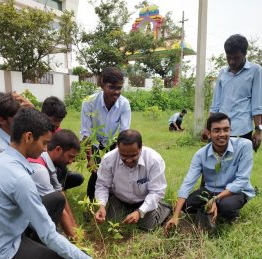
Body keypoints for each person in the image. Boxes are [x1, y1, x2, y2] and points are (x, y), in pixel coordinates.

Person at [0, 107, 116, 259]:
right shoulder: (19, 178)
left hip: (0, 235)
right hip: (0, 255)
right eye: (44, 143)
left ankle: (31, 253)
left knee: (56, 200)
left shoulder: (1, 159)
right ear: (29, 137)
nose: (45, 149)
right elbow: (49, 234)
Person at [165, 113, 255, 233]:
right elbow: (188, 182)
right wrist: (175, 215)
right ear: (208, 133)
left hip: (236, 191)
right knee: (187, 205)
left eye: (226, 130)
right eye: (216, 130)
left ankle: (232, 215)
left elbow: (242, 180)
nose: (222, 134)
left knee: (226, 207)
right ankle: (212, 208)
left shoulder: (244, 146)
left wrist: (215, 199)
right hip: (211, 189)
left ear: (230, 130)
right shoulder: (201, 154)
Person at [95, 129, 171, 231]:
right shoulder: (109, 159)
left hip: (144, 198)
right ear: (118, 148)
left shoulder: (154, 160)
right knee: (113, 223)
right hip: (120, 198)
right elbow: (102, 185)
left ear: (141, 147)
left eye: (133, 155)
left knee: (147, 226)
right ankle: (129, 210)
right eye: (123, 156)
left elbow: (157, 191)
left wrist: (140, 212)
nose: (129, 160)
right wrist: (101, 205)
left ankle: (164, 208)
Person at [80, 67, 131, 201]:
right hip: (94, 141)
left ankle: (113, 200)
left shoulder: (124, 104)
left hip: (113, 141)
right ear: (102, 85)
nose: (116, 92)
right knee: (97, 172)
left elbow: (124, 133)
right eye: (112, 87)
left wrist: (114, 157)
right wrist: (90, 159)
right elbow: (86, 133)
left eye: (119, 88)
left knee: (113, 171)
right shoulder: (89, 102)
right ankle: (90, 203)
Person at [209, 34, 262, 151]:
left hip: (242, 130)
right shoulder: (222, 73)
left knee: (241, 166)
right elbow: (215, 104)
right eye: (229, 57)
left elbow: (257, 105)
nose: (232, 61)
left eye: (236, 58)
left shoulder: (255, 71)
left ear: (244, 54)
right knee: (215, 165)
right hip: (220, 129)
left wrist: (259, 130)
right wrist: (208, 127)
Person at [30, 129, 82, 239]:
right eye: (70, 156)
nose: (71, 161)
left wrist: (75, 227)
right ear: (58, 150)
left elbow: (61, 193)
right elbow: (59, 207)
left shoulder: (47, 161)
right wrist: (76, 240)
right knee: (56, 201)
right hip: (21, 217)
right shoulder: (40, 171)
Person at [42, 96, 84, 190]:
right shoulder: (37, 131)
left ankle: (60, 188)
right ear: (44, 116)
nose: (58, 125)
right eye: (55, 121)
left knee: (77, 177)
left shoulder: (57, 130)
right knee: (60, 169)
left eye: (60, 122)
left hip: (55, 167)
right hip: (41, 167)